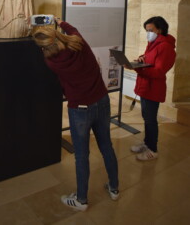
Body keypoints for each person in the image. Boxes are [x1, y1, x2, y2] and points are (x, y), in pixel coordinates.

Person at [32, 19, 119, 211]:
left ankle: (81, 200)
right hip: (102, 101)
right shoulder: (79, 42)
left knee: (81, 155)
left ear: (44, 48)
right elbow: (73, 30)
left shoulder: (51, 62)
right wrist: (60, 21)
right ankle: (114, 188)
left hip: (79, 109)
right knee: (106, 146)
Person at [127, 16, 176, 161]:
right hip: (146, 86)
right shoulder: (153, 43)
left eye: (150, 30)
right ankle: (147, 143)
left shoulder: (165, 47)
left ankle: (153, 150)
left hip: (153, 88)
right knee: (146, 117)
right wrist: (140, 60)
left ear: (160, 30)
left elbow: (158, 71)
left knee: (150, 119)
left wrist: (137, 68)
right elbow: (149, 59)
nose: (148, 33)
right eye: (146, 30)